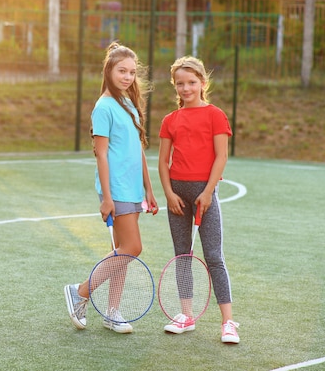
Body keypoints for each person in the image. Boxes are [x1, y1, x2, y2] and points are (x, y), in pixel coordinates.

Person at [64, 42, 159, 334]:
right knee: (132, 247)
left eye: (132, 72)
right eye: (122, 71)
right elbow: (101, 154)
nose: (128, 77)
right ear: (109, 71)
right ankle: (79, 291)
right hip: (115, 189)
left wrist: (149, 189)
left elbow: (138, 150)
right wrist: (106, 197)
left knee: (121, 252)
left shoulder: (128, 104)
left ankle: (112, 312)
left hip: (133, 189)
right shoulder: (103, 107)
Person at [157, 56, 240, 344]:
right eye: (180, 83)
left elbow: (222, 156)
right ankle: (186, 316)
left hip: (205, 193)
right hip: (177, 195)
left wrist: (207, 191)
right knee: (182, 255)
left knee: (214, 257)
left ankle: (228, 322)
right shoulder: (170, 120)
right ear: (175, 86)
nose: (186, 88)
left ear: (203, 83)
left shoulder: (215, 115)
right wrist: (168, 194)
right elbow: (162, 162)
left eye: (191, 82)